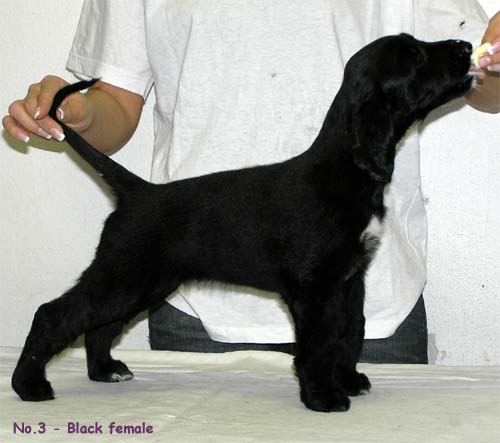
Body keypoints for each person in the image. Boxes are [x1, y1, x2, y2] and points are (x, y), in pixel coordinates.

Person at [3, 1, 499, 364]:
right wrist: (79, 113)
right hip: (198, 308)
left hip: (379, 315)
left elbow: (481, 75)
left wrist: (494, 56)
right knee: (109, 297)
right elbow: (116, 101)